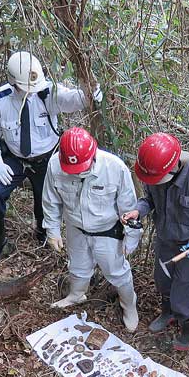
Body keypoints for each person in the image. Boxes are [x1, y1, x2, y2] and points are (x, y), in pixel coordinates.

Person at [0, 51, 102, 262]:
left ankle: (43, 234)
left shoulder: (47, 92)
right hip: (14, 158)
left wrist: (90, 94)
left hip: (46, 158)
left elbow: (71, 99)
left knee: (44, 201)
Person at [122, 133, 189, 351]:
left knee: (184, 297)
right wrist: (138, 210)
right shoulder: (153, 169)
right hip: (165, 240)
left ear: (173, 166)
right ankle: (168, 313)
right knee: (163, 282)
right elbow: (149, 200)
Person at [42, 127, 142, 331]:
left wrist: (132, 237)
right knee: (78, 265)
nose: (77, 171)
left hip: (106, 230)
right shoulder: (55, 166)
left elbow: (129, 208)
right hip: (75, 226)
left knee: (116, 271)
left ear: (93, 154)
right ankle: (76, 295)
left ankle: (129, 305)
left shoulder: (114, 168)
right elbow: (50, 201)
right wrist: (52, 229)